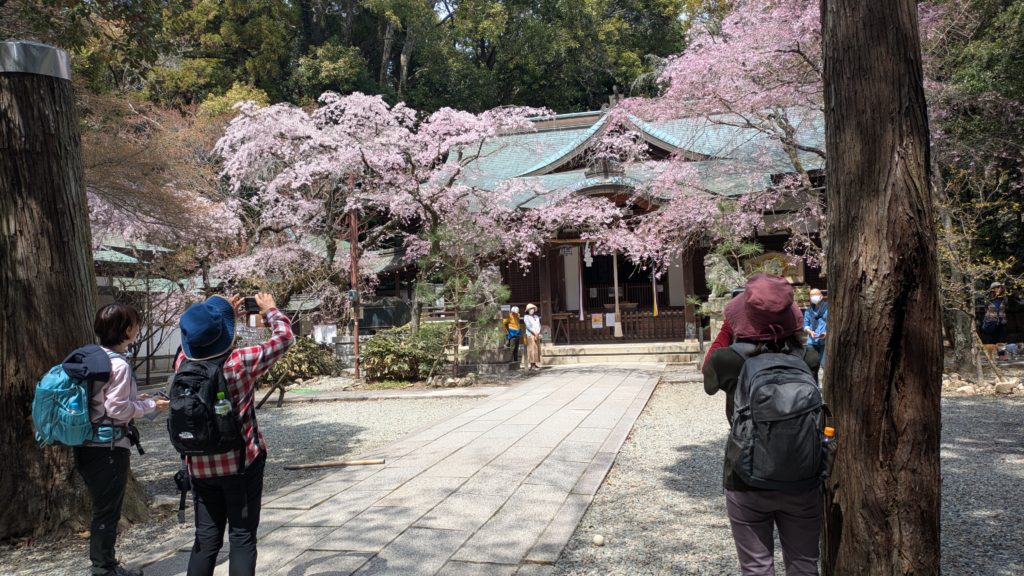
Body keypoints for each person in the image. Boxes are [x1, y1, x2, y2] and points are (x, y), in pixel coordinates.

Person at [703, 274, 822, 576]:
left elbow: (707, 377)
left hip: (746, 476)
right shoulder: (807, 357)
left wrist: (730, 328)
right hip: (803, 473)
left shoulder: (727, 361)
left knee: (756, 568)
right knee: (805, 565)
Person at [175, 293, 294, 576]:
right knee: (241, 537)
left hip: (199, 466)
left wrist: (220, 317)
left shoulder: (182, 363)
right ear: (226, 336)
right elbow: (284, 338)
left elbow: (196, 333)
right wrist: (271, 311)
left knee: (206, 539)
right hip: (241, 463)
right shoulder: (241, 361)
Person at [79, 303, 170, 576]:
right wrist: (151, 406)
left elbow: (104, 401)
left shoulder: (95, 358)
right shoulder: (118, 364)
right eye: (136, 325)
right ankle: (104, 568)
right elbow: (116, 409)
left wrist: (136, 400)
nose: (138, 329)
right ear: (128, 330)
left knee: (102, 508)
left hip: (86, 442)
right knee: (107, 511)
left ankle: (104, 564)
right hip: (107, 447)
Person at [803, 288, 828, 374]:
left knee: (825, 366)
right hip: (812, 342)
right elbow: (805, 324)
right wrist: (810, 331)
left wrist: (827, 333)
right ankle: (815, 387)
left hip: (825, 342)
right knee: (811, 366)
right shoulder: (808, 311)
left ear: (821, 296)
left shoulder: (829, 308)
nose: (813, 297)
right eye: (811, 295)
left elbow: (834, 324)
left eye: (815, 295)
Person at [523, 303, 542, 370]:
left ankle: (535, 363)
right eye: (530, 309)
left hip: (537, 334)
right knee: (531, 349)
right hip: (530, 334)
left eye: (533, 309)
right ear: (528, 310)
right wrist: (534, 333)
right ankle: (532, 364)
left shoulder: (536, 317)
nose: (532, 310)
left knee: (536, 349)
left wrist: (538, 332)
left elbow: (539, 325)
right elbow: (528, 326)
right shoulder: (526, 317)